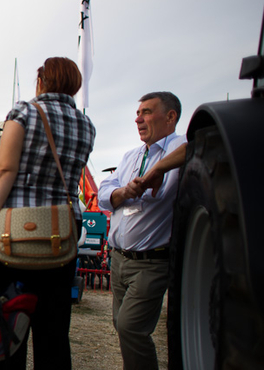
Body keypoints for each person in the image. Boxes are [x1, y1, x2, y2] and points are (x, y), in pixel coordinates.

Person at [0, 57, 96, 369]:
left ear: (42, 80)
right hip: (61, 233)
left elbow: (4, 169)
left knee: (10, 319)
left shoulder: (25, 112)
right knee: (54, 332)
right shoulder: (86, 125)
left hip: (16, 233)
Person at [97, 91, 186, 370]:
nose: (138, 119)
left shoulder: (179, 146)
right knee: (122, 326)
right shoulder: (130, 156)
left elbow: (198, 145)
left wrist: (155, 171)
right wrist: (124, 192)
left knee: (131, 327)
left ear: (170, 117)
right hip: (120, 260)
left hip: (151, 262)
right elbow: (104, 192)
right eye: (138, 113)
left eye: (146, 112)